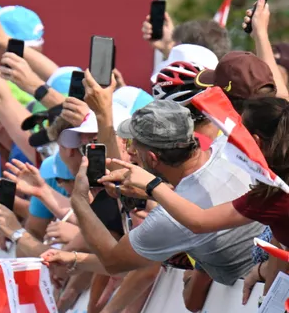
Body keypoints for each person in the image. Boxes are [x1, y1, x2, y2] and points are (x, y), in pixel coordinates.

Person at [42, 101, 262, 286]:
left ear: (152, 158)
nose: (129, 151)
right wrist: (152, 192)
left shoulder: (170, 220)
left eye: (133, 145)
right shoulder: (232, 146)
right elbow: (201, 190)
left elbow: (113, 262)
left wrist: (79, 201)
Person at [104, 96, 289, 247]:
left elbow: (200, 222)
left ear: (256, 142)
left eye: (240, 131)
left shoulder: (276, 194)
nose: (231, 138)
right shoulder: (276, 184)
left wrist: (152, 185)